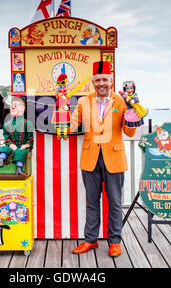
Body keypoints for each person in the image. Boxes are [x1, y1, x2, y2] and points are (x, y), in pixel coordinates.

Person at [69, 61, 136, 257]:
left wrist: (132, 114)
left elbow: (129, 132)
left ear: (111, 81)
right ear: (92, 82)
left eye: (105, 79)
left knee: (115, 201)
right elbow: (73, 124)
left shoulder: (122, 101)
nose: (101, 83)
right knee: (92, 202)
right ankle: (90, 240)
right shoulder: (83, 101)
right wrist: (62, 118)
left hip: (114, 157)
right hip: (90, 156)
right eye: (97, 80)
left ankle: (114, 241)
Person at [0, 96, 33, 174]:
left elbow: (30, 139)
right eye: (12, 106)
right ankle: (1, 160)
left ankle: (19, 168)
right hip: (11, 146)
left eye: (16, 105)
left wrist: (26, 145)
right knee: (3, 147)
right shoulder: (7, 125)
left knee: (22, 151)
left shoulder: (28, 124)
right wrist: (10, 145)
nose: (12, 107)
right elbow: (6, 138)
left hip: (22, 146)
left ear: (23, 108)